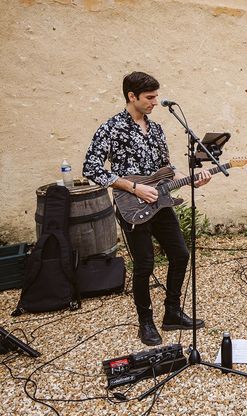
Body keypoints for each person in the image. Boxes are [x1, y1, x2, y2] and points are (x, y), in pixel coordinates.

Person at [83, 71, 212, 346]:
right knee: (144, 265)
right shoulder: (111, 128)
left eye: (155, 96)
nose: (155, 101)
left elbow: (165, 170)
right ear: (132, 96)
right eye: (150, 97)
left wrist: (191, 181)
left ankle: (172, 312)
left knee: (180, 254)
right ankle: (146, 322)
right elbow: (91, 167)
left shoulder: (156, 129)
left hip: (161, 203)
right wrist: (132, 187)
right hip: (131, 205)